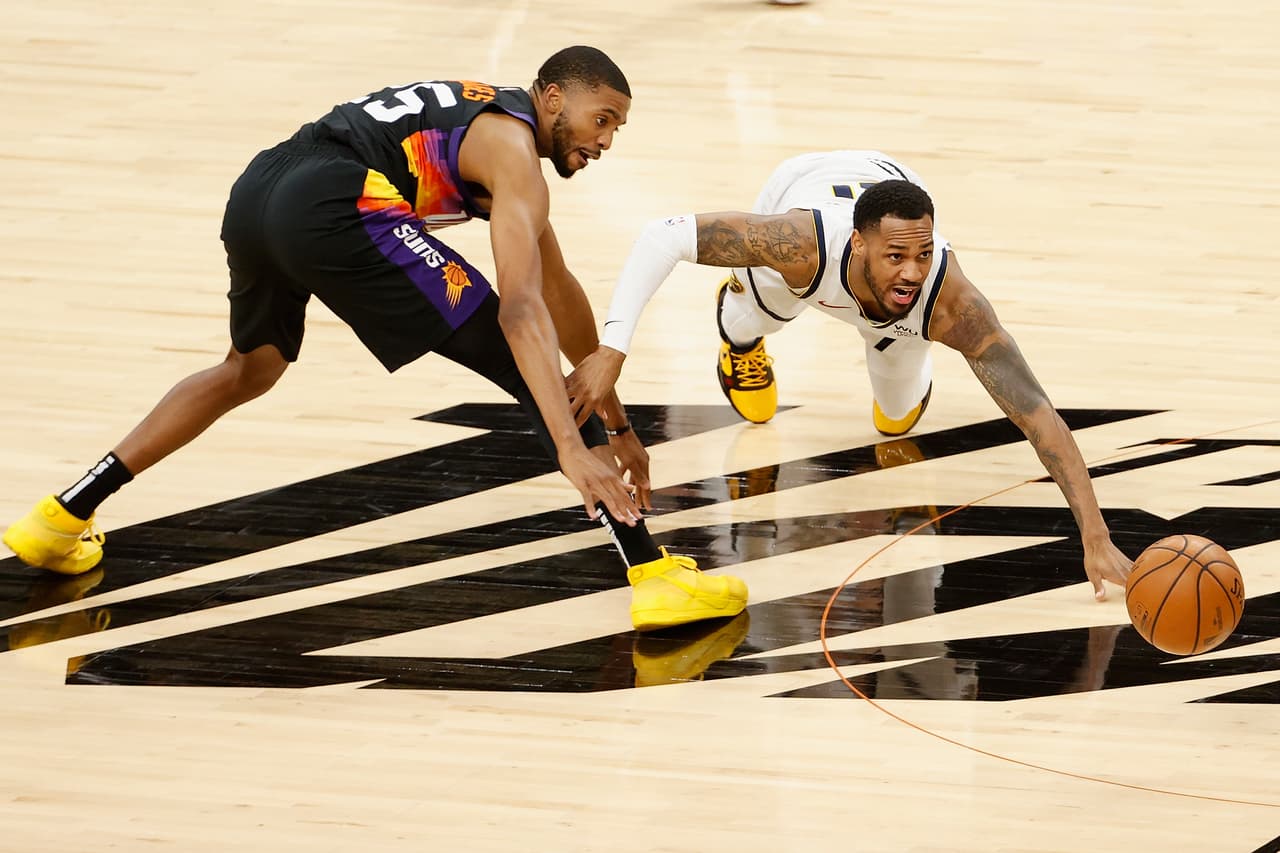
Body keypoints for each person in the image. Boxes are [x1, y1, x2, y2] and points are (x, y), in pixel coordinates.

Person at [2, 46, 747, 632]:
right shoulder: (516, 154)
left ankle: (61, 515)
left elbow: (558, 287)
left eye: (618, 127)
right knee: (532, 369)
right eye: (602, 117)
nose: (608, 138)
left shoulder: (496, 137)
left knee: (248, 368)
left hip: (261, 188)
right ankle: (654, 575)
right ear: (552, 97)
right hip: (333, 196)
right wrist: (572, 443)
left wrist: (617, 420)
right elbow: (524, 315)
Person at [566, 149, 1133, 601]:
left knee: (897, 417)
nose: (912, 272)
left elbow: (1041, 419)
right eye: (895, 258)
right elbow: (663, 234)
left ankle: (895, 349)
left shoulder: (952, 305)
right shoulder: (799, 244)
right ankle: (741, 336)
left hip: (889, 187)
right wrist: (614, 346)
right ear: (859, 244)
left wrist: (1097, 535)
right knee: (760, 309)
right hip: (804, 188)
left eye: (924, 253)